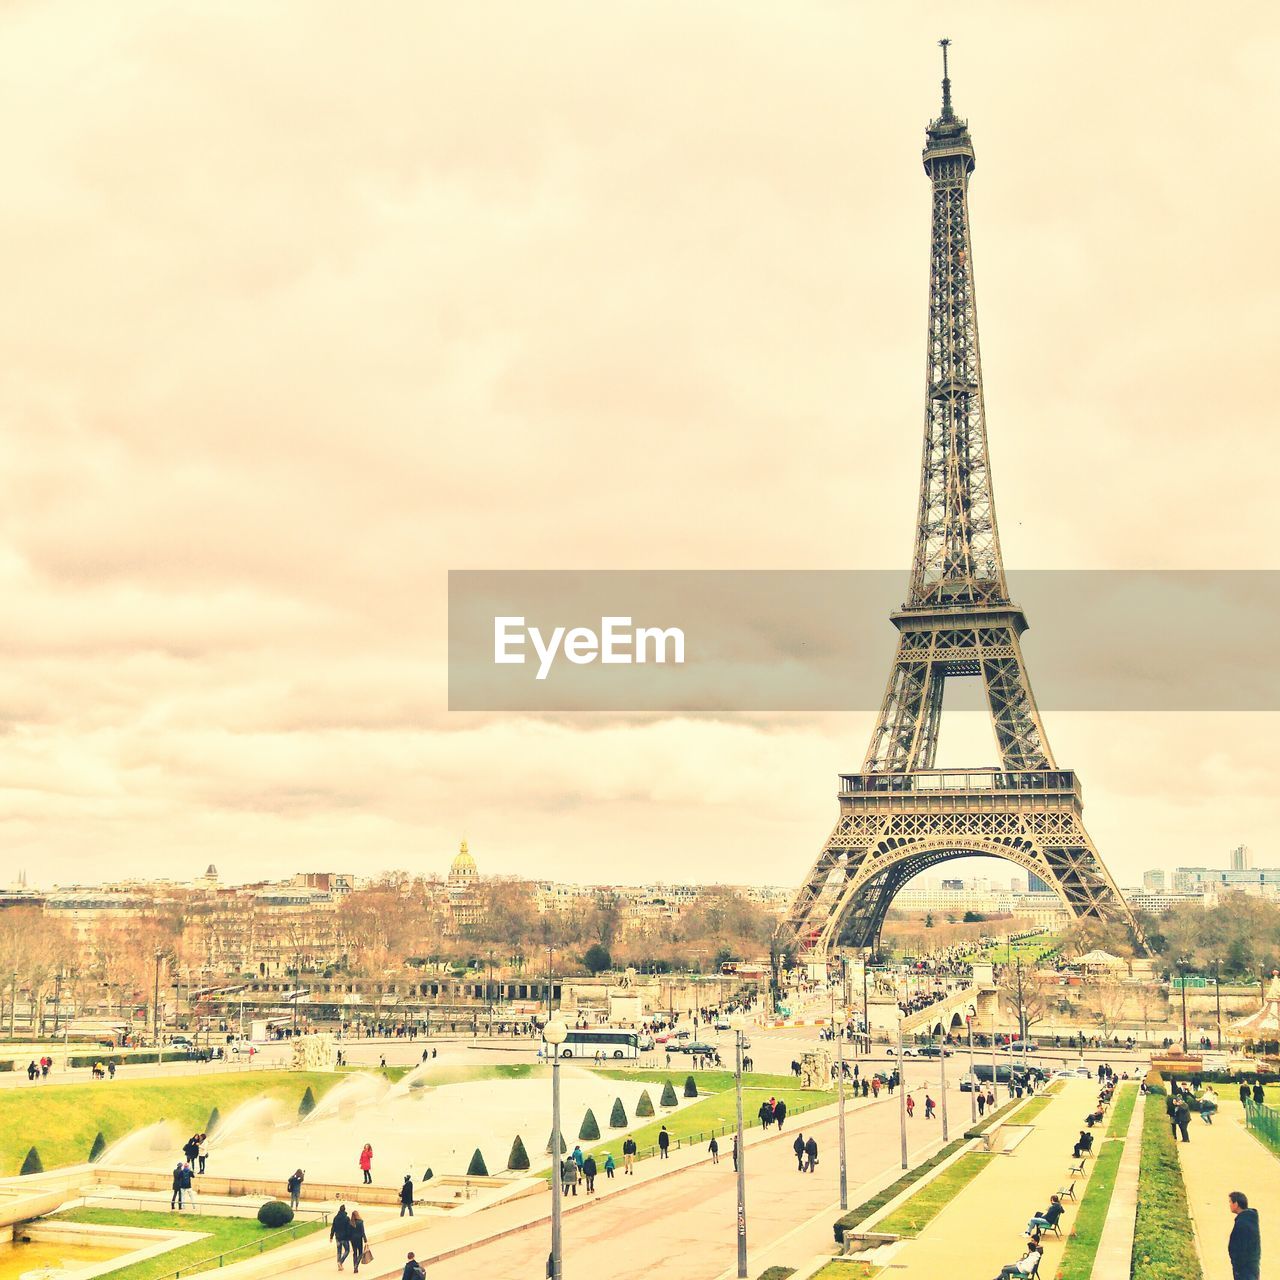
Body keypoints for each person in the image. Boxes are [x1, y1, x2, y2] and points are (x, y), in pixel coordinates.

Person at [1228, 1190, 1261, 1280]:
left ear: (1236, 1204)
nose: (1229, 1205)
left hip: (1245, 1270)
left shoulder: (1243, 1223)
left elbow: (1241, 1247)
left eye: (1231, 1202)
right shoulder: (1249, 1219)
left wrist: (1237, 1265)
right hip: (1251, 1268)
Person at [331, 1203, 352, 1271]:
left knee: (339, 1251)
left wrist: (331, 1236)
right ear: (344, 1210)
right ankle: (341, 1262)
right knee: (347, 1250)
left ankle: (339, 1265)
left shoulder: (336, 1218)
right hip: (344, 1238)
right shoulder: (347, 1218)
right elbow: (349, 1229)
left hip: (337, 1237)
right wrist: (349, 1237)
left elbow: (333, 1227)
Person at [348, 1210, 368, 1274]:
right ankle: (356, 1265)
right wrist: (365, 1240)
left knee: (355, 1253)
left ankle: (355, 1266)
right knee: (360, 1253)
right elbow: (362, 1232)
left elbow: (349, 1232)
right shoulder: (360, 1222)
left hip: (352, 1240)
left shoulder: (350, 1223)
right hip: (359, 1239)